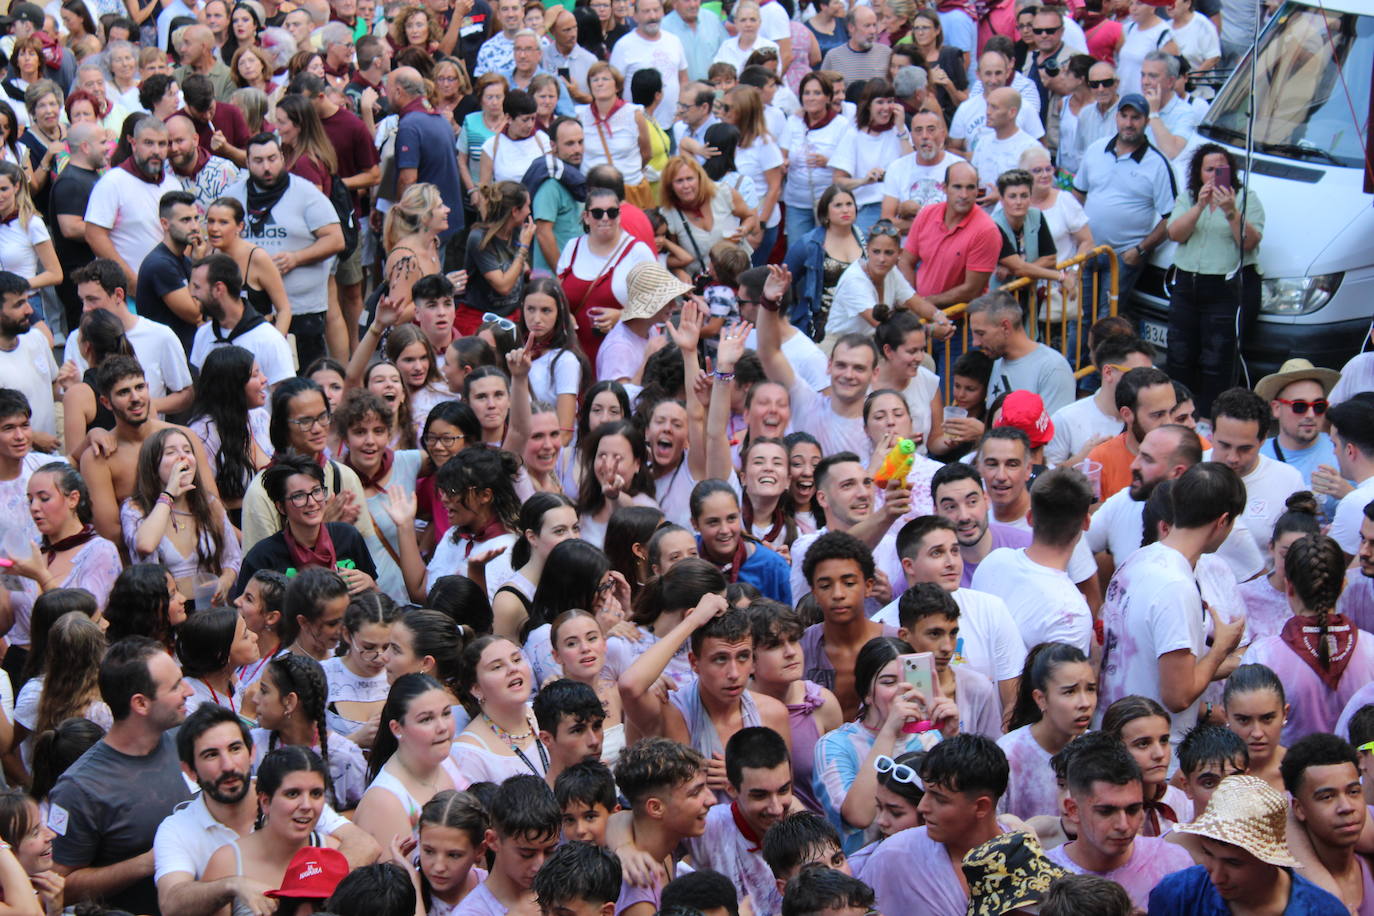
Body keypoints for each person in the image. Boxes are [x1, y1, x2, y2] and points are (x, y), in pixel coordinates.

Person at [1097, 462, 1246, 744]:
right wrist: (1221, 649)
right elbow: (1177, 695)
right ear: (1223, 521)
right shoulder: (1177, 586)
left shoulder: (1137, 559)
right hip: (1153, 750)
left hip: (1117, 735)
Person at [46, 637, 193, 913]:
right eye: (175, 686)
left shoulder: (183, 741)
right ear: (140, 703)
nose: (189, 691)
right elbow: (58, 886)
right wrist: (146, 863)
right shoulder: (79, 788)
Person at [1239, 534, 1374, 742]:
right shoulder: (1370, 649)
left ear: (1289, 586)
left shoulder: (1264, 655)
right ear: (1343, 585)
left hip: (1289, 772)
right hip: (1356, 772)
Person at [224, 133, 343, 371]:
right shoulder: (233, 196)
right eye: (258, 161)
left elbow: (336, 240)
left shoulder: (305, 192)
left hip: (302, 308)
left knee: (305, 379)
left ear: (282, 158)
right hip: (249, 311)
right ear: (247, 163)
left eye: (272, 158)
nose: (266, 167)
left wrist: (297, 258)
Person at [1149, 774, 1348, 915]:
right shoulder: (1178, 894)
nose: (1217, 876)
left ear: (1268, 859)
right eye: (1208, 854)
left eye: (1233, 863)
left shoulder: (1323, 910)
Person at [857, 735, 1008, 915]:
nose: (922, 807)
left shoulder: (1025, 861)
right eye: (926, 793)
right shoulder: (894, 856)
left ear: (981, 806)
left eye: (939, 799)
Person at [1165, 144, 1263, 415]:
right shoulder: (1188, 197)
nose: (1214, 175)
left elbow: (1251, 242)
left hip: (1225, 286)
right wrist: (1200, 206)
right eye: (1209, 169)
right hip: (1187, 283)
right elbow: (1175, 233)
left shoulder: (1246, 198)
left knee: (1218, 358)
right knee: (1180, 352)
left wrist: (1230, 211)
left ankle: (1211, 415)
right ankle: (1178, 411)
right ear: (1198, 172)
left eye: (1221, 170)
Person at [1072, 94, 1176, 330]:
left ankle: (1102, 367)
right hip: (1088, 250)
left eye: (1136, 118)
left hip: (1122, 256)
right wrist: (1076, 239)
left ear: (1146, 121)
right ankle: (1074, 364)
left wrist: (1140, 250)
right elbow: (1078, 195)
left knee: (1107, 321)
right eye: (1124, 116)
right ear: (1116, 117)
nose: (1129, 123)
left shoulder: (1157, 163)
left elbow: (1171, 218)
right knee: (1079, 316)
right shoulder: (1096, 149)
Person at [234, 456, 379, 594]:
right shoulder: (263, 557)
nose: (311, 502)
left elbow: (376, 596)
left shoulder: (347, 536)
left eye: (316, 491)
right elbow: (243, 613)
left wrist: (370, 584)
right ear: (281, 507)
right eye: (299, 496)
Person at [611, 738, 716, 914]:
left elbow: (618, 820)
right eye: (696, 792)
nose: (711, 800)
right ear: (656, 807)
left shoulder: (666, 844)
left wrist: (623, 845)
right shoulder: (637, 889)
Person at [997, 642, 1097, 819]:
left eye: (1090, 689)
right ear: (1041, 699)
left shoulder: (1099, 751)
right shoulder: (1009, 754)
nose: (1085, 703)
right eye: (1070, 692)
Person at [84, 117, 182, 289]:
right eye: (149, 143)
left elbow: (182, 232)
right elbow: (95, 235)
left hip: (169, 288)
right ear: (133, 143)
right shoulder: (112, 182)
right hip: (127, 291)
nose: (156, 151)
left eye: (162, 144)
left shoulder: (173, 184)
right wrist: (131, 283)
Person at [1206, 387, 1306, 553]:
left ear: (1263, 439)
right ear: (1212, 432)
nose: (1233, 458)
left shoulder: (1289, 481)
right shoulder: (1187, 469)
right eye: (1224, 445)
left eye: (1244, 449)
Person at [1045, 335, 1155, 467]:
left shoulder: (1155, 416)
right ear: (1108, 373)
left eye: (1151, 374)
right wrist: (1082, 459)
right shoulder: (1066, 419)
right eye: (1139, 374)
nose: (1147, 382)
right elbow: (1046, 480)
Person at [187, 253, 293, 386]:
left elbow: (283, 398)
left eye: (197, 287)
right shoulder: (203, 334)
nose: (192, 294)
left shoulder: (270, 339)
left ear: (219, 289)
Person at [1082, 366, 1179, 502]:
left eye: (1172, 411)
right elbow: (1093, 517)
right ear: (1127, 415)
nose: (1169, 422)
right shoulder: (1100, 460)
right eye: (1158, 415)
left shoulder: (1192, 447)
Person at [969, 290, 1075, 414]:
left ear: (1005, 327)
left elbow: (1053, 431)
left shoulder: (1053, 368)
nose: (975, 343)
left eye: (981, 334)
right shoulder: (998, 360)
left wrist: (983, 431)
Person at [204, 198, 292, 334]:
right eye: (211, 221)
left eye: (223, 222)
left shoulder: (258, 258)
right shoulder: (209, 256)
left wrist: (275, 345)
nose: (214, 228)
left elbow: (284, 309)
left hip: (258, 339)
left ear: (240, 226)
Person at [608, 0, 686, 131]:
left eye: (656, 10)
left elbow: (683, 78)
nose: (653, 16)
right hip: (637, 127)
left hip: (673, 124)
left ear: (662, 12)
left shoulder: (674, 41)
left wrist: (681, 112)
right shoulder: (624, 46)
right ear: (635, 15)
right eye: (646, 11)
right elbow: (614, 88)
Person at [1326, 398, 1374, 562]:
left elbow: (1331, 569)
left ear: (1350, 450)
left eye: (1334, 445)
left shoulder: (1355, 502)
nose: (1334, 453)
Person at [820, 6, 890, 87]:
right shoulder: (833, 57)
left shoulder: (886, 53)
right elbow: (823, 88)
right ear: (851, 27)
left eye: (874, 25)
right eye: (867, 26)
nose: (873, 31)